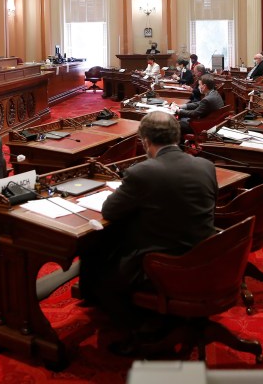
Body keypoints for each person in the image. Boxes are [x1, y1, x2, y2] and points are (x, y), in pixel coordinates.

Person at [79, 111, 217, 338]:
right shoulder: (205, 165)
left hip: (164, 265)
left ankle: (137, 329)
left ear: (145, 141)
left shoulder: (143, 171)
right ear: (177, 136)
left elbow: (109, 210)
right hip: (203, 255)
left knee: (96, 261)